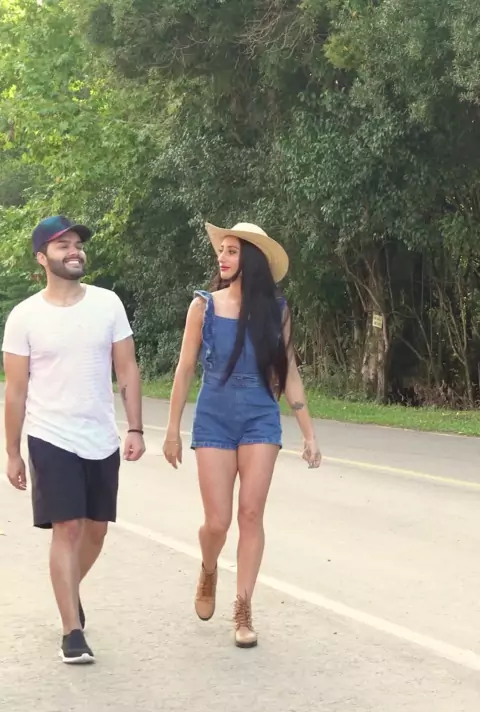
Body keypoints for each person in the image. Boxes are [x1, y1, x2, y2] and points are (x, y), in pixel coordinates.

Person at [163, 221, 321, 648]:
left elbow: (289, 372)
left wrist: (308, 433)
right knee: (217, 522)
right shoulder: (203, 307)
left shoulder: (277, 310)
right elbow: (185, 369)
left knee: (250, 514)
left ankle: (243, 608)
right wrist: (173, 429)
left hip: (260, 415)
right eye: (222, 250)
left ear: (250, 260)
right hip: (214, 414)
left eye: (232, 251)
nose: (223, 257)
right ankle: (209, 567)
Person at [2, 215, 145, 665]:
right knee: (67, 527)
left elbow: (126, 368)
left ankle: (68, 592)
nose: (74, 250)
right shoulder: (24, 316)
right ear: (42, 258)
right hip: (50, 435)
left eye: (77, 243)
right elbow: (16, 391)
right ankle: (72, 631)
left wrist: (135, 427)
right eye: (62, 245)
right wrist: (12, 452)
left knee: (96, 531)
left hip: (100, 435)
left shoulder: (108, 304)